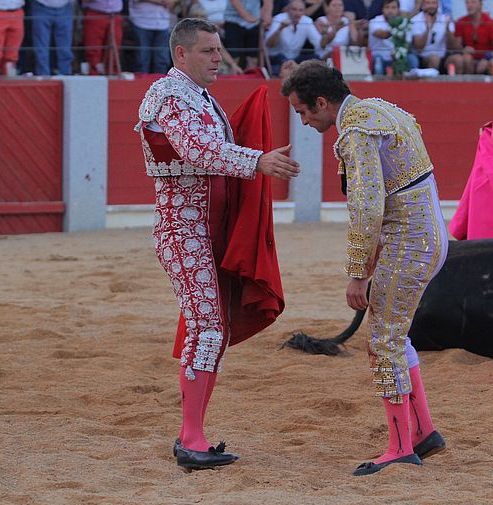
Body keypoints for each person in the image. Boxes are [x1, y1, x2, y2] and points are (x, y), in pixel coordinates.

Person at [136, 18, 299, 469]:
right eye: (208, 51)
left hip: (208, 231)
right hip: (182, 230)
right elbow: (195, 149)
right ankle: (191, 438)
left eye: (218, 49)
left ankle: (194, 434)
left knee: (214, 329)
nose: (218, 58)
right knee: (207, 328)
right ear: (181, 54)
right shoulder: (168, 95)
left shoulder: (201, 97)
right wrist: (257, 160)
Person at [281, 60, 448, 476]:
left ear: (322, 102)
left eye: (303, 111)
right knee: (394, 335)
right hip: (424, 236)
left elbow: (368, 206)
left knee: (383, 340)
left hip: (408, 241)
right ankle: (422, 431)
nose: (303, 122)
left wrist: (357, 272)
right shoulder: (379, 109)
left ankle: (399, 446)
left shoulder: (356, 130)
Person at [265, 0, 323, 76]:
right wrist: (280, 29)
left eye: (300, 10)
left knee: (315, 59)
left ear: (304, 11)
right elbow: (269, 45)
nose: (297, 13)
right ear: (288, 10)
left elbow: (319, 44)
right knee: (283, 59)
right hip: (277, 58)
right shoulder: (279, 19)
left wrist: (326, 34)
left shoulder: (307, 21)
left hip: (295, 59)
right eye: (294, 9)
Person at [446, 0, 493, 75]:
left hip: (485, 58)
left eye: (473, 2)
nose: (469, 5)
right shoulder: (461, 21)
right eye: (467, 2)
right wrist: (463, 49)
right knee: (466, 59)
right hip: (467, 59)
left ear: (481, 4)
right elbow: (456, 47)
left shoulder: (490, 23)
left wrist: (487, 57)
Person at [31, 0, 74, 75]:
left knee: (65, 49)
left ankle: (65, 75)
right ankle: (43, 77)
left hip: (65, 7)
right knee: (41, 49)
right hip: (41, 7)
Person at [410, 0, 455, 71]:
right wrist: (428, 29)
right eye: (428, 3)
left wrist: (447, 30)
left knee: (458, 60)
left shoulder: (445, 19)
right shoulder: (415, 20)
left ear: (438, 5)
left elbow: (452, 47)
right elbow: (418, 48)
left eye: (434, 3)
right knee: (434, 59)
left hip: (443, 56)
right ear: (422, 5)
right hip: (423, 57)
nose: (431, 6)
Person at [81, 0, 123, 75]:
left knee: (114, 49)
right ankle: (93, 75)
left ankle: (112, 74)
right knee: (93, 49)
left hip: (115, 15)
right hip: (95, 13)